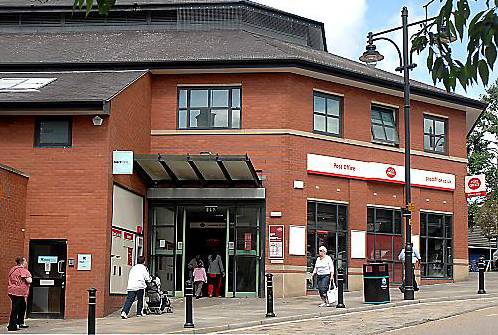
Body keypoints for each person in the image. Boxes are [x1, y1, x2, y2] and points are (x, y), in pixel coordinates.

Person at [7, 256, 32, 332]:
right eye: (25, 261)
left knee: (22, 306)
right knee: (16, 308)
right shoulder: (23, 270)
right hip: (19, 292)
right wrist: (30, 277)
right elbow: (29, 280)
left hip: (11, 291)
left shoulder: (13, 269)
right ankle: (12, 325)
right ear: (23, 262)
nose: (26, 263)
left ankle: (20, 322)